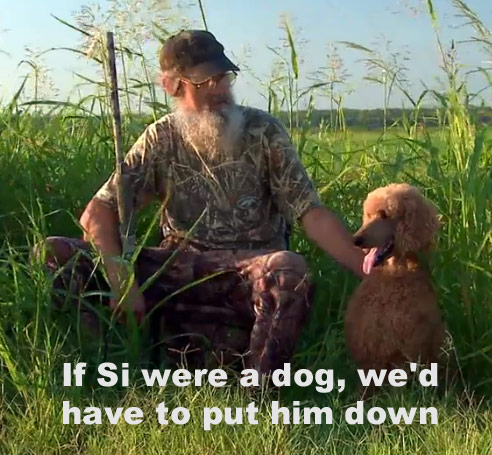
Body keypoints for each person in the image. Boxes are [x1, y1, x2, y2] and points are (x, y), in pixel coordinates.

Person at [38, 30, 365, 375]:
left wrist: (368, 270)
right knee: (54, 253)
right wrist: (122, 278)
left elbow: (311, 214)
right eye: (202, 82)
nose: (218, 89)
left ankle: (261, 390)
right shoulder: (160, 137)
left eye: (222, 77)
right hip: (177, 272)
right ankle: (101, 369)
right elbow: (97, 213)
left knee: (289, 270)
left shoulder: (263, 132)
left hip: (249, 274)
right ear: (171, 85)